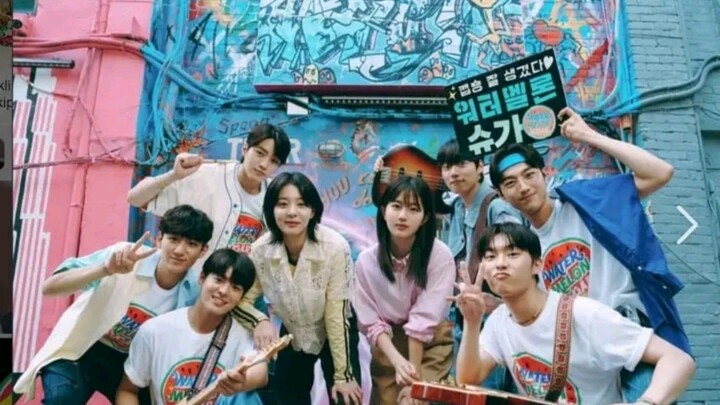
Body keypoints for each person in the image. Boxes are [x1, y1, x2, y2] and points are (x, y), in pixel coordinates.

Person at [488, 108, 692, 401]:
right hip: (579, 353)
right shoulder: (523, 250)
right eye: (510, 183)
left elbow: (661, 172)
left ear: (545, 174)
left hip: (627, 334)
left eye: (529, 175)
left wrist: (588, 136)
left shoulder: (587, 201)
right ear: (500, 195)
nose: (523, 187)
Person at [455, 222, 695, 405]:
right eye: (490, 256)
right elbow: (468, 379)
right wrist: (472, 322)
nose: (500, 263)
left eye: (513, 254)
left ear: (537, 264)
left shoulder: (583, 314)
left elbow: (678, 360)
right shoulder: (498, 321)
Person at [14, 205, 213, 403]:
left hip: (128, 364)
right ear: (159, 238)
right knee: (62, 399)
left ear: (203, 250)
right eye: (173, 239)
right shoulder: (123, 257)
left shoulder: (194, 293)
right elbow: (49, 287)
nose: (179, 250)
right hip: (81, 350)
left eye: (191, 244)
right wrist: (105, 269)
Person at [232, 172, 362, 405]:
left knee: (346, 397)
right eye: (283, 204)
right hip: (293, 329)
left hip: (337, 328)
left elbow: (336, 314)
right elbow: (240, 298)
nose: (292, 212)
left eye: (301, 204)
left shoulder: (335, 247)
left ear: (313, 211)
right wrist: (259, 321)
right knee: (286, 397)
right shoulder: (261, 250)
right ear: (271, 210)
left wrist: (343, 376)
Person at [117, 249, 268, 405]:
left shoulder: (242, 337)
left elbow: (260, 372)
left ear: (242, 297)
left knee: (247, 398)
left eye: (235, 288)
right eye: (218, 280)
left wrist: (242, 382)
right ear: (202, 278)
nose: (223, 291)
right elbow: (127, 390)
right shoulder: (155, 331)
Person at [353, 176, 455, 405]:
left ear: (425, 217)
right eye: (396, 206)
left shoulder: (440, 256)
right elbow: (370, 322)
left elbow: (424, 318)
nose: (402, 216)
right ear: (383, 211)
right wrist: (398, 362)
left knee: (415, 402)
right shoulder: (365, 262)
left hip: (431, 342)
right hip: (389, 346)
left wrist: (413, 382)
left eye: (413, 209)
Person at [127, 123, 292, 257]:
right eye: (260, 153)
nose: (264, 164)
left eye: (274, 161)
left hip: (235, 286)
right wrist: (173, 175)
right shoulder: (205, 176)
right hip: (188, 280)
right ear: (245, 149)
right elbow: (135, 198)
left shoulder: (277, 198)